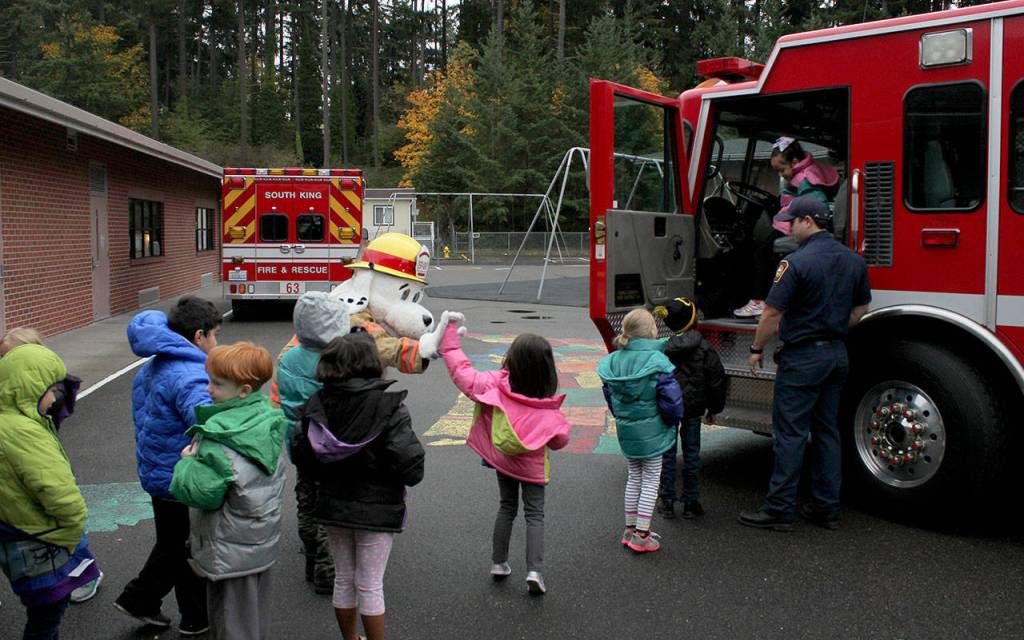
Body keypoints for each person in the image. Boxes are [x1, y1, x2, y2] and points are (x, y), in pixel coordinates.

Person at [740, 196, 871, 532]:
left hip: (802, 358)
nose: (789, 228)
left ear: (808, 222)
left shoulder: (795, 262)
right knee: (828, 431)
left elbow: (771, 313)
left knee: (791, 433)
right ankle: (826, 507)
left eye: (792, 221)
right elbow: (860, 311)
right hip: (837, 355)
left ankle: (779, 509)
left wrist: (756, 348)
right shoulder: (853, 261)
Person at [292, 333, 424, 640]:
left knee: (344, 579)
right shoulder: (388, 406)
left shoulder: (317, 404)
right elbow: (409, 463)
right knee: (371, 583)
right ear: (372, 364)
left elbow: (303, 456)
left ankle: (350, 638)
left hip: (333, 505)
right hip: (378, 509)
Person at [438, 316, 572, 595]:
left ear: (511, 360)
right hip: (533, 470)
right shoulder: (548, 408)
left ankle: (499, 563)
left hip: (503, 461)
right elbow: (560, 441)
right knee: (535, 514)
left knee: (507, 507)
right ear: (547, 369)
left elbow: (462, 373)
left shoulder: (494, 385)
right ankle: (534, 571)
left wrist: (450, 336)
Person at [114, 296, 221, 635]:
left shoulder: (154, 364)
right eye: (215, 335)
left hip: (157, 469)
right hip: (181, 475)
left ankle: (194, 616)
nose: (217, 343)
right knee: (181, 548)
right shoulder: (190, 373)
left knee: (177, 544)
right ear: (199, 335)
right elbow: (206, 424)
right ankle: (140, 598)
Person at [169, 342, 287, 640]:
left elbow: (200, 492)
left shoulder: (219, 434)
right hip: (257, 537)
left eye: (217, 384)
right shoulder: (267, 417)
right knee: (252, 614)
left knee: (228, 621)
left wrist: (186, 463)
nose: (209, 389)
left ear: (244, 390)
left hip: (228, 545)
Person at [0, 344, 100, 640]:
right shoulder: (25, 432)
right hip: (40, 538)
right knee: (48, 615)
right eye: (52, 389)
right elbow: (59, 493)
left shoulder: (7, 423)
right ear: (29, 389)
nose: (57, 396)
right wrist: (72, 532)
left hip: (13, 528)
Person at [274, 292, 349, 595]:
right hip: (332, 445)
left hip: (300, 443)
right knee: (329, 504)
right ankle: (325, 571)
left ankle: (309, 555)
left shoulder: (289, 357)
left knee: (306, 498)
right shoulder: (338, 359)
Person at [597, 308, 683, 553]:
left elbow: (609, 395)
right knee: (651, 480)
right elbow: (672, 401)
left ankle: (630, 528)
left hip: (628, 430)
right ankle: (642, 536)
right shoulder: (658, 363)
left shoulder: (614, 361)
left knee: (634, 477)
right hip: (653, 432)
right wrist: (673, 421)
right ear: (652, 332)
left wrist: (622, 416)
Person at [734, 137, 840, 319]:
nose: (781, 175)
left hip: (794, 226)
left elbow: (816, 206)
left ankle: (759, 300)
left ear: (795, 162)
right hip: (791, 220)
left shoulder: (806, 179)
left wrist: (800, 225)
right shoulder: (805, 172)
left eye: (782, 170)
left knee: (761, 253)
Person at [654, 298, 728, 520]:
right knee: (692, 455)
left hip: (668, 408)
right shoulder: (705, 347)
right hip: (694, 408)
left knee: (667, 454)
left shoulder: (663, 348)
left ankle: (667, 501)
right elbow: (717, 379)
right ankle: (691, 502)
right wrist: (714, 408)